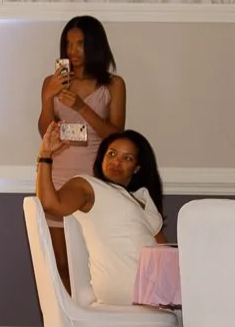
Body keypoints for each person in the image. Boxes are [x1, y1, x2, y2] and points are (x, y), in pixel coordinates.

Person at [35, 123, 168, 307]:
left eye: (126, 158)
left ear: (137, 167)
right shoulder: (88, 186)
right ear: (102, 157)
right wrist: (45, 156)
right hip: (128, 289)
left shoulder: (142, 198)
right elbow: (50, 204)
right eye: (111, 154)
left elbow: (163, 251)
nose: (116, 161)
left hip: (154, 288)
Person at [37, 16, 126, 281]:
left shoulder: (113, 85)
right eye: (68, 44)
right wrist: (47, 97)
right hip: (58, 174)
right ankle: (66, 321)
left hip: (95, 177)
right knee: (61, 265)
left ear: (95, 46)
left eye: (80, 44)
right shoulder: (51, 82)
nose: (72, 51)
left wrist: (81, 107)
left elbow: (116, 135)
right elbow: (45, 131)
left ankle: (93, 320)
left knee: (94, 264)